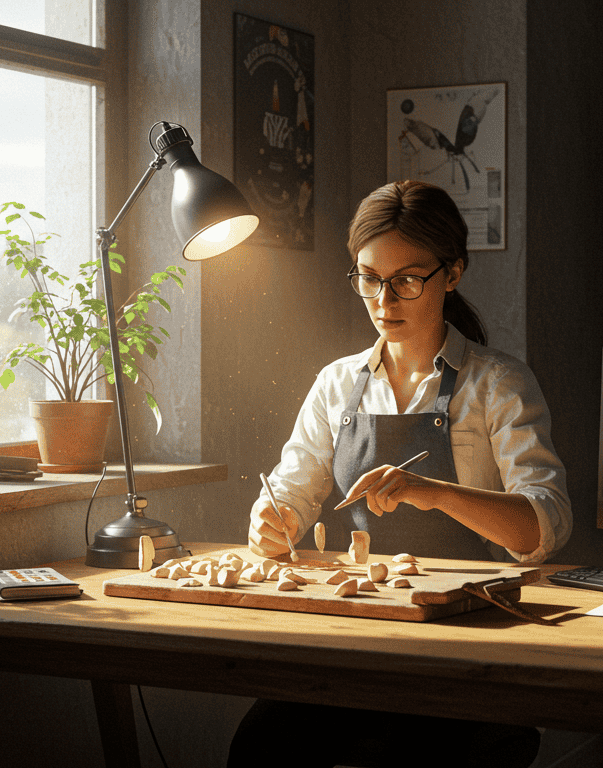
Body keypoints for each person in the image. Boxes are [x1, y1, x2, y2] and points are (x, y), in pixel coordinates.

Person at [228, 180, 571, 768]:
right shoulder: (337, 384)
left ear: (452, 273)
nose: (384, 301)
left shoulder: (498, 384)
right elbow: (290, 491)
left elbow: (544, 530)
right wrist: (274, 520)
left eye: (407, 280)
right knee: (257, 747)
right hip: (353, 642)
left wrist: (431, 492)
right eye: (368, 279)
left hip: (467, 646)